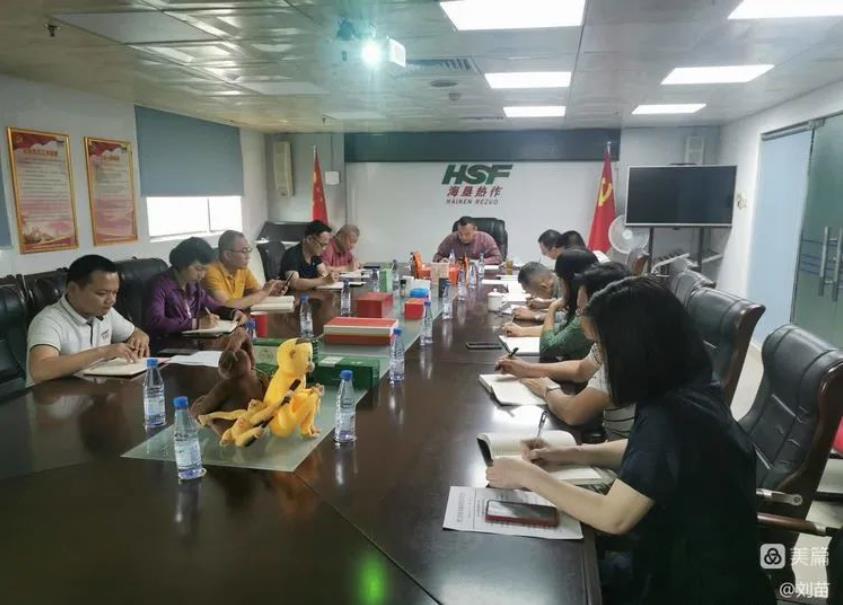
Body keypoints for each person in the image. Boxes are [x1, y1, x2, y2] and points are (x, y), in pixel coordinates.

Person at [487, 276, 774, 605]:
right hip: (668, 561)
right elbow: (651, 451)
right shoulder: (690, 385)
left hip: (693, 586)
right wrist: (572, 453)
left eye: (604, 349)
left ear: (633, 348)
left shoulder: (672, 414)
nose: (601, 362)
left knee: (533, 578)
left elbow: (613, 517)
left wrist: (528, 476)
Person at [497, 263, 634, 440]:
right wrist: (527, 369)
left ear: (604, 312)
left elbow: (572, 413)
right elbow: (580, 369)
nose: (577, 316)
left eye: (581, 310)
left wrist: (547, 388)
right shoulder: (609, 342)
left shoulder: (621, 359)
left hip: (625, 454)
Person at [27, 255, 150, 384]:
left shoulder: (105, 312)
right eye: (102, 293)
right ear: (72, 289)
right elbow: (40, 370)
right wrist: (104, 352)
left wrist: (140, 340)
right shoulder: (48, 321)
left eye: (115, 293)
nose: (111, 300)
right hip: (54, 395)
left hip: (93, 390)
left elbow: (136, 333)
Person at [503, 249, 596, 364]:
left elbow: (547, 348)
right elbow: (562, 329)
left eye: (560, 279)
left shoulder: (586, 317)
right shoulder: (583, 309)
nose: (555, 283)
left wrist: (552, 307)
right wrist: (523, 331)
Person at [144, 237, 247, 337]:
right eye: (198, 269)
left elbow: (214, 306)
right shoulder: (160, 285)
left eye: (206, 270)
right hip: (168, 343)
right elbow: (155, 322)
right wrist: (196, 324)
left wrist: (233, 313)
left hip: (191, 340)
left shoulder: (193, 285)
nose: (202, 275)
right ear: (183, 263)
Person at [203, 230, 287, 309]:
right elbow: (226, 306)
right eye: (244, 251)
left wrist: (271, 290)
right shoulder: (210, 272)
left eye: (248, 250)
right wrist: (264, 293)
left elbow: (256, 292)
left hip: (238, 316)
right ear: (227, 255)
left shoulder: (242, 269)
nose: (248, 256)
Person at [278, 220, 339, 291]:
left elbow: (323, 272)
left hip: (309, 294)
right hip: (292, 296)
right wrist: (324, 280)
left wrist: (330, 277)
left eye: (326, 245)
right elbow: (294, 283)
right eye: (322, 245)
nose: (324, 249)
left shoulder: (314, 255)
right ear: (309, 239)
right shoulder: (292, 254)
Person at [432, 216, 502, 264]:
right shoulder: (451, 239)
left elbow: (498, 258)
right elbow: (437, 256)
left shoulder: (486, 239)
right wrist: (441, 260)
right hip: (457, 274)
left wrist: (479, 262)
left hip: (481, 273)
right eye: (460, 233)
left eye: (467, 234)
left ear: (475, 230)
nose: (463, 237)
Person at [539, 229, 609, 263]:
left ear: (554, 249)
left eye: (544, 253)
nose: (545, 255)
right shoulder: (599, 254)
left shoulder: (571, 266)